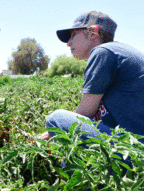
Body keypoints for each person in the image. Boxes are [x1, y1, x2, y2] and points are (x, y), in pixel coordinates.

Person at [39, 11, 144, 142]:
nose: (68, 43)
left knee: (56, 119)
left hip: (134, 147)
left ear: (93, 33)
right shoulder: (118, 51)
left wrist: (53, 131)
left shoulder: (103, 52)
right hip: (134, 141)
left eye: (73, 35)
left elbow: (85, 113)